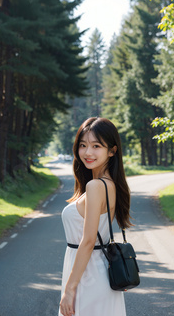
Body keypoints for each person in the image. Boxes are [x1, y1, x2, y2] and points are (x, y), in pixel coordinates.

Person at [59, 117, 132, 316]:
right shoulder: (108, 184)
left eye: (96, 146)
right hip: (97, 270)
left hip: (88, 276)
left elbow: (89, 240)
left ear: (112, 150)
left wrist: (70, 288)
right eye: (83, 145)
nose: (88, 152)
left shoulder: (96, 186)